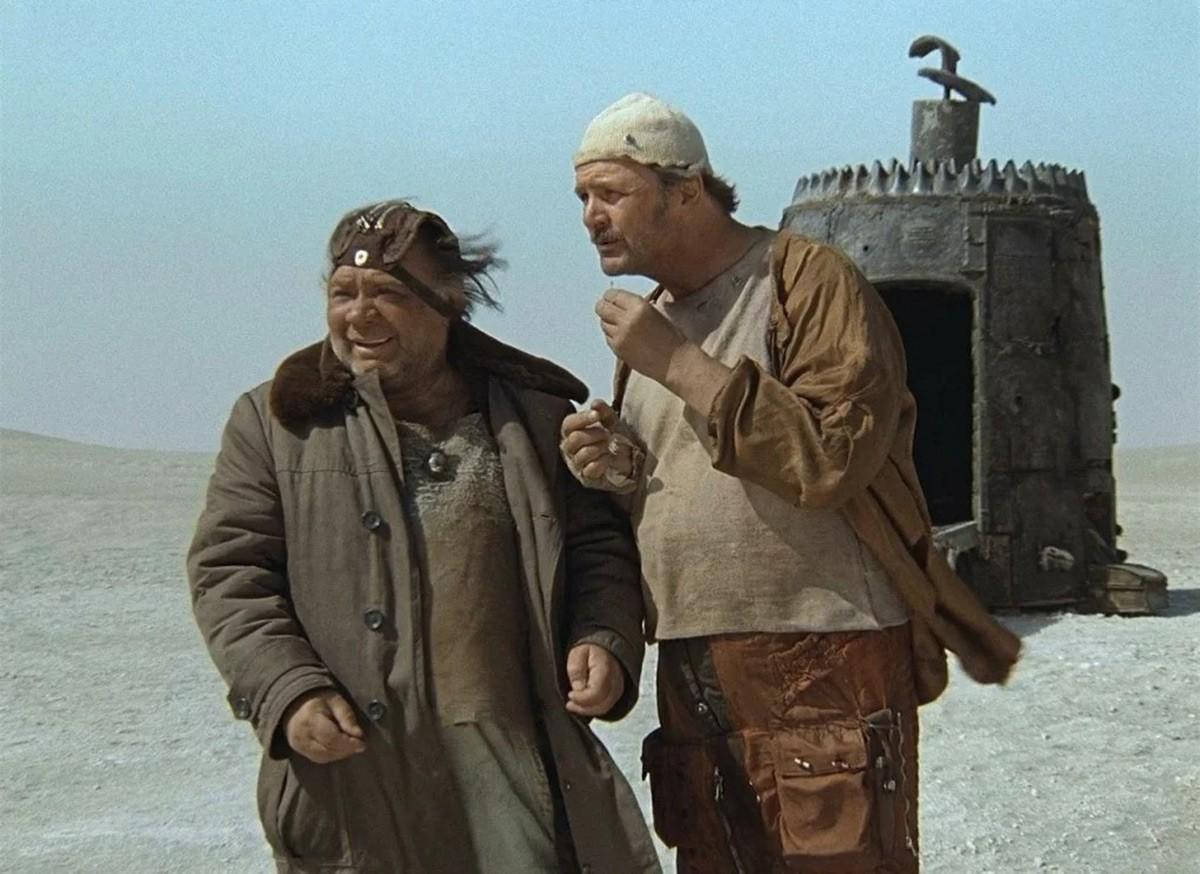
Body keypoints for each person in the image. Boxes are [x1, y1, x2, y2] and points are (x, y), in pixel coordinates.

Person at [560, 93, 1022, 873]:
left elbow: (832, 459)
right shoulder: (657, 316)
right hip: (693, 660)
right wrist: (618, 466)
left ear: (684, 189)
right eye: (582, 198)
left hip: (824, 651)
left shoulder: (804, 280)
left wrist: (672, 361)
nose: (591, 217)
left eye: (611, 193)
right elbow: (703, 470)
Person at [188, 199, 660, 874]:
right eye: (343, 293)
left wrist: (602, 638)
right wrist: (287, 689)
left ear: (448, 302)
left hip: (509, 768)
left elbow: (597, 550)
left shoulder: (531, 416)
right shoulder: (277, 426)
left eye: (387, 293)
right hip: (361, 784)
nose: (358, 315)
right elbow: (231, 575)